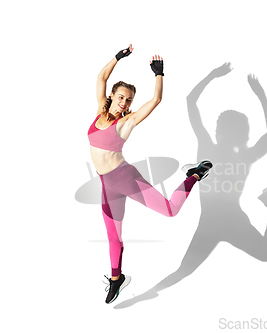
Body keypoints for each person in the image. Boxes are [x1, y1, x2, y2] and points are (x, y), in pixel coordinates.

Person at [88, 44, 212, 304]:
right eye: (121, 97)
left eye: (129, 100)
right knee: (114, 237)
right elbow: (101, 77)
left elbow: (155, 101)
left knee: (170, 211)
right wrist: (118, 57)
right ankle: (116, 279)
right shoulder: (101, 109)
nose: (125, 103)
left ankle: (194, 175)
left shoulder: (126, 121)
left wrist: (159, 74)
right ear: (113, 95)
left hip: (125, 178)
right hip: (106, 185)